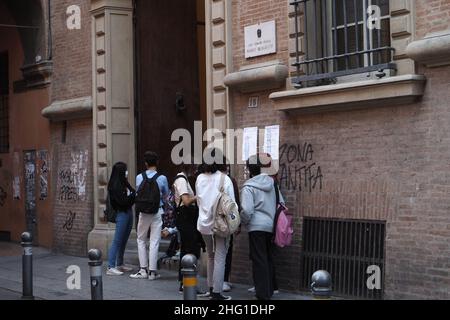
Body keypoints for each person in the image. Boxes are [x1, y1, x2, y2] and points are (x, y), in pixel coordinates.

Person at [240, 153, 283, 300]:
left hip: (256, 227)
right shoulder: (273, 184)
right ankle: (269, 290)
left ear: (251, 170)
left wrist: (244, 221)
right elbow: (281, 204)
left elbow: (246, 210)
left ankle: (262, 294)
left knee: (259, 260)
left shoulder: (248, 186)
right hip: (271, 227)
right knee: (268, 258)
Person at [196, 149, 236, 300]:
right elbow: (232, 205)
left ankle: (211, 288)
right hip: (220, 225)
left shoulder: (199, 178)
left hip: (204, 224)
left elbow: (199, 201)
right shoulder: (224, 179)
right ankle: (217, 292)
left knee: (211, 256)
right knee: (220, 256)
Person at [130, 151, 169, 280]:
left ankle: (143, 270)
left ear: (146, 163)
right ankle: (152, 272)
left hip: (143, 212)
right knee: (155, 241)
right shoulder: (162, 178)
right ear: (157, 162)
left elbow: (138, 193)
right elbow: (166, 196)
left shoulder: (139, 177)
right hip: (157, 211)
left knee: (141, 239)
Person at [172, 162, 206, 294]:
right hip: (185, 218)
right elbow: (186, 201)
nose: (196, 169)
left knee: (187, 249)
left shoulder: (183, 179)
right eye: (194, 166)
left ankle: (185, 283)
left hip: (187, 218)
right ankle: (186, 284)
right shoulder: (181, 180)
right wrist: (200, 196)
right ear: (189, 167)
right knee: (190, 249)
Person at [106, 162, 136, 276]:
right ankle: (111, 266)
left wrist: (131, 196)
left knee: (124, 240)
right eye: (125, 170)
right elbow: (123, 202)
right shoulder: (114, 186)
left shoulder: (124, 183)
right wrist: (132, 197)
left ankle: (120, 263)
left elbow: (132, 193)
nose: (127, 172)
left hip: (128, 212)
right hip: (121, 214)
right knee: (117, 241)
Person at [217, 162, 241, 292]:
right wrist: (236, 223)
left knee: (213, 255)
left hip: (208, 223)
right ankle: (223, 281)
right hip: (225, 222)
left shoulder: (204, 178)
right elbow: (234, 203)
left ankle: (215, 283)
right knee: (225, 252)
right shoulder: (229, 180)